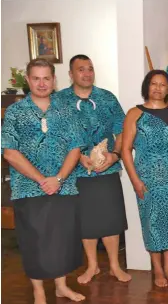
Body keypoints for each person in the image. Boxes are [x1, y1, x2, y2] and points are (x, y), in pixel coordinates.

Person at [2, 58, 86, 303]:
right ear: (28, 80)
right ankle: (39, 291)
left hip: (64, 186)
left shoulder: (66, 109)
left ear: (54, 80)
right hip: (28, 188)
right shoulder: (16, 112)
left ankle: (61, 286)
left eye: (46, 78)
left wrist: (58, 178)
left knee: (62, 239)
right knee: (34, 241)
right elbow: (9, 152)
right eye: (36, 78)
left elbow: (75, 148)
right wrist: (42, 180)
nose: (41, 83)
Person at [55, 55, 130, 284]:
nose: (87, 74)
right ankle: (93, 266)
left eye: (90, 69)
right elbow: (57, 137)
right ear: (70, 74)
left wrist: (114, 154)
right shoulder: (59, 101)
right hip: (76, 172)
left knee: (111, 219)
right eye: (81, 70)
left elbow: (122, 131)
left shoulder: (107, 98)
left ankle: (115, 266)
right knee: (86, 222)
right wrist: (78, 157)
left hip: (107, 170)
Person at [121, 70, 168, 287]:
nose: (158, 88)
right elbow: (126, 150)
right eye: (154, 84)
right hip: (146, 179)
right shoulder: (134, 113)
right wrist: (135, 180)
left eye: (163, 85)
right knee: (152, 224)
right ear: (147, 87)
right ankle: (157, 269)